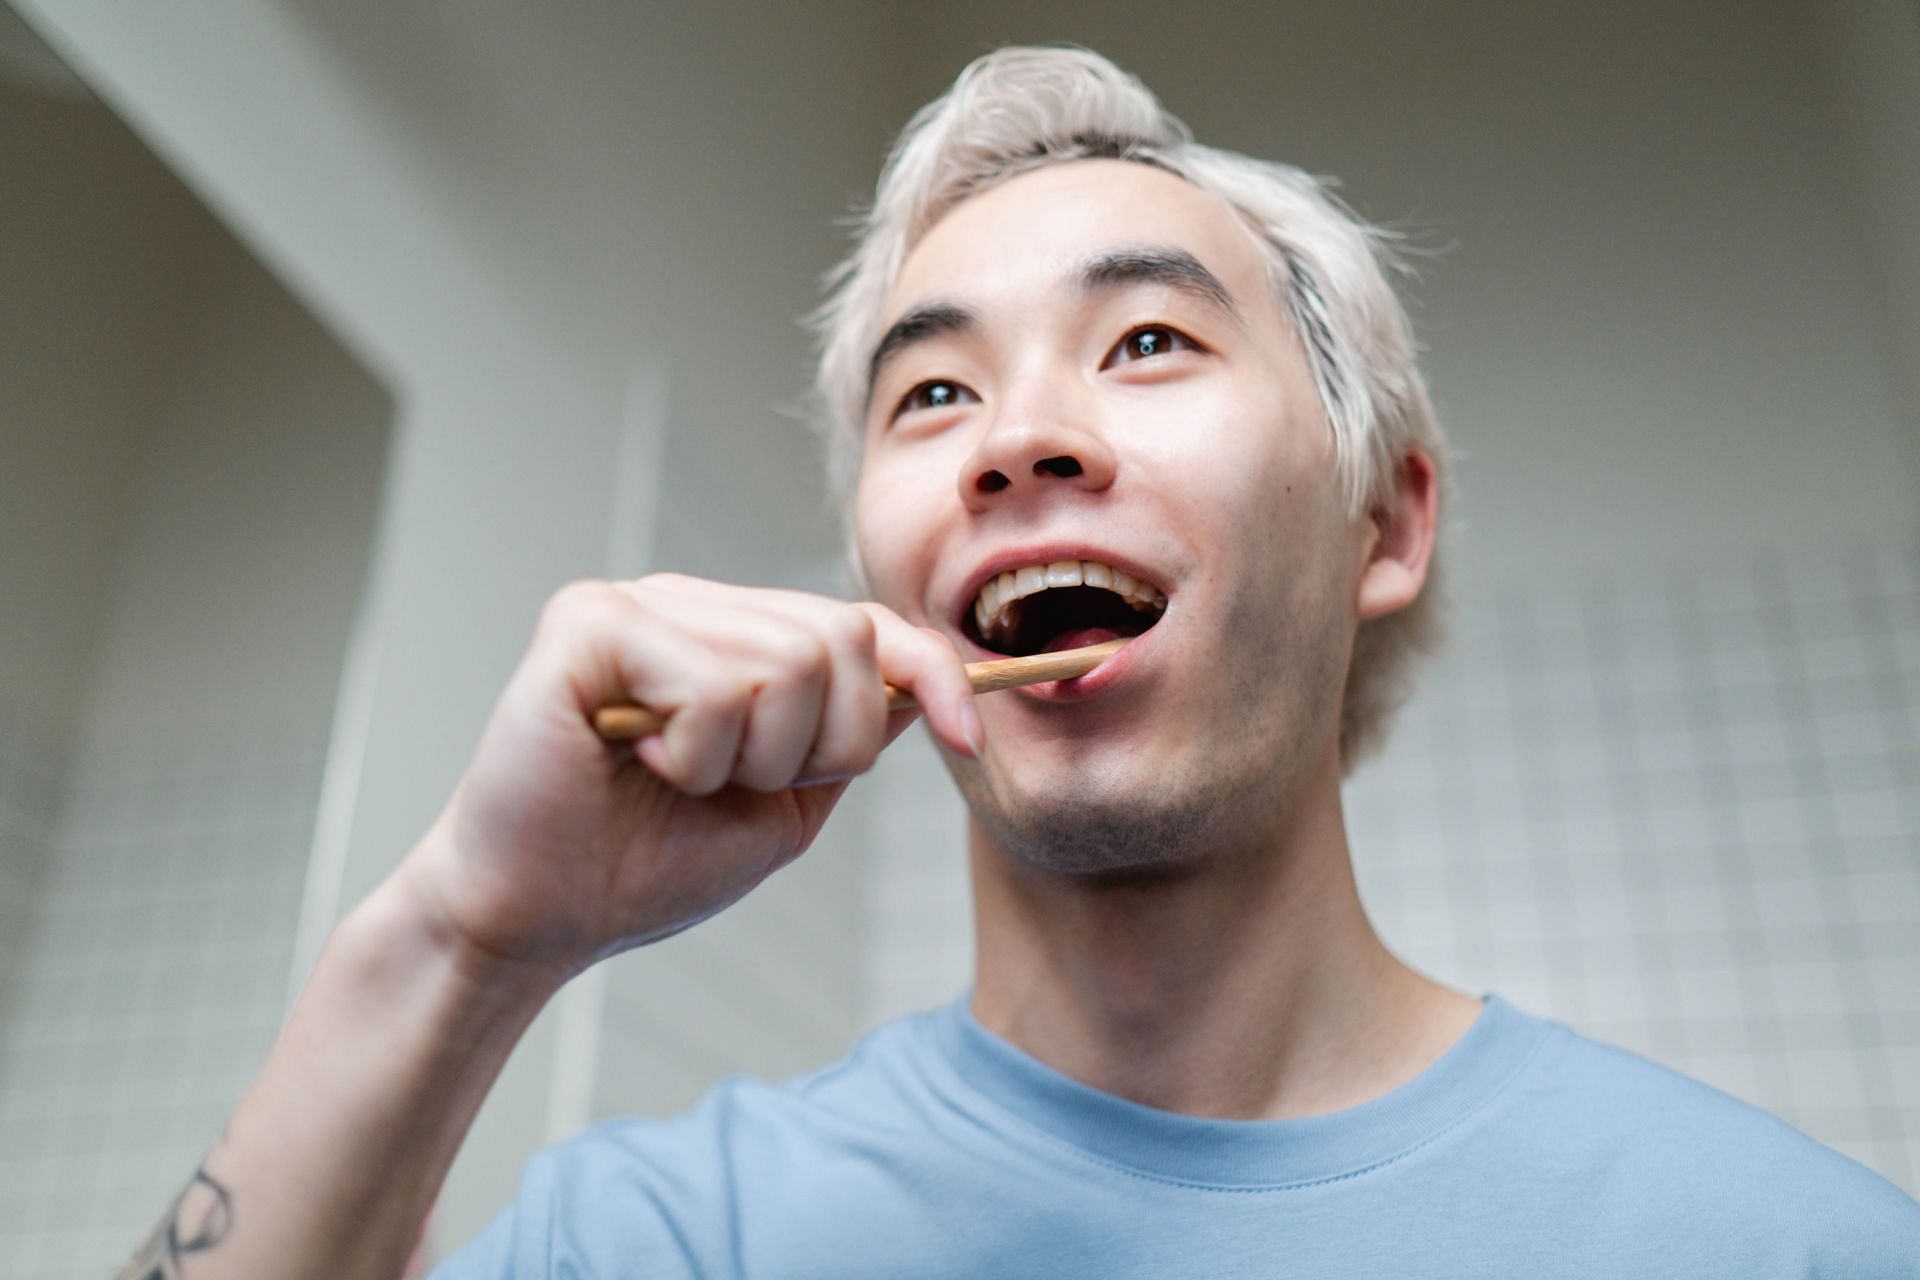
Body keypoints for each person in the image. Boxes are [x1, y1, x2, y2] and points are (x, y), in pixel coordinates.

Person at [121, 46, 1919, 1280]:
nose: (1016, 440)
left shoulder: (1784, 1245)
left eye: (1145, 340)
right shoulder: (668, 1240)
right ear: (888, 588)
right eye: (935, 392)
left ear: (1385, 524)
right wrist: (463, 936)